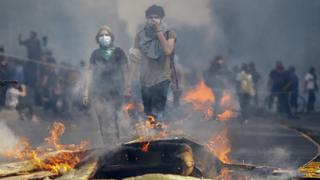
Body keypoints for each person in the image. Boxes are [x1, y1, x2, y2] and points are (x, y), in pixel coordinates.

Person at [128, 5, 176, 121]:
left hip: (162, 78)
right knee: (149, 114)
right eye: (150, 17)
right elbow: (135, 59)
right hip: (145, 80)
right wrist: (129, 81)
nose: (153, 20)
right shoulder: (140, 35)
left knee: (160, 112)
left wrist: (158, 32)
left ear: (162, 18)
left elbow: (168, 51)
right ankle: (151, 137)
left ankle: (161, 136)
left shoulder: (170, 33)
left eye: (156, 17)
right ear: (147, 19)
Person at [83, 26, 129, 145]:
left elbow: (125, 70)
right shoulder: (95, 54)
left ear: (111, 37)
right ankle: (106, 145)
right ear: (98, 39)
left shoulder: (119, 52)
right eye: (101, 35)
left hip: (116, 90)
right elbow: (90, 73)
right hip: (99, 91)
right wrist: (86, 93)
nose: (104, 38)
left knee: (114, 118)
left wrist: (127, 87)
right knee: (102, 119)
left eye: (106, 35)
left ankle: (117, 144)